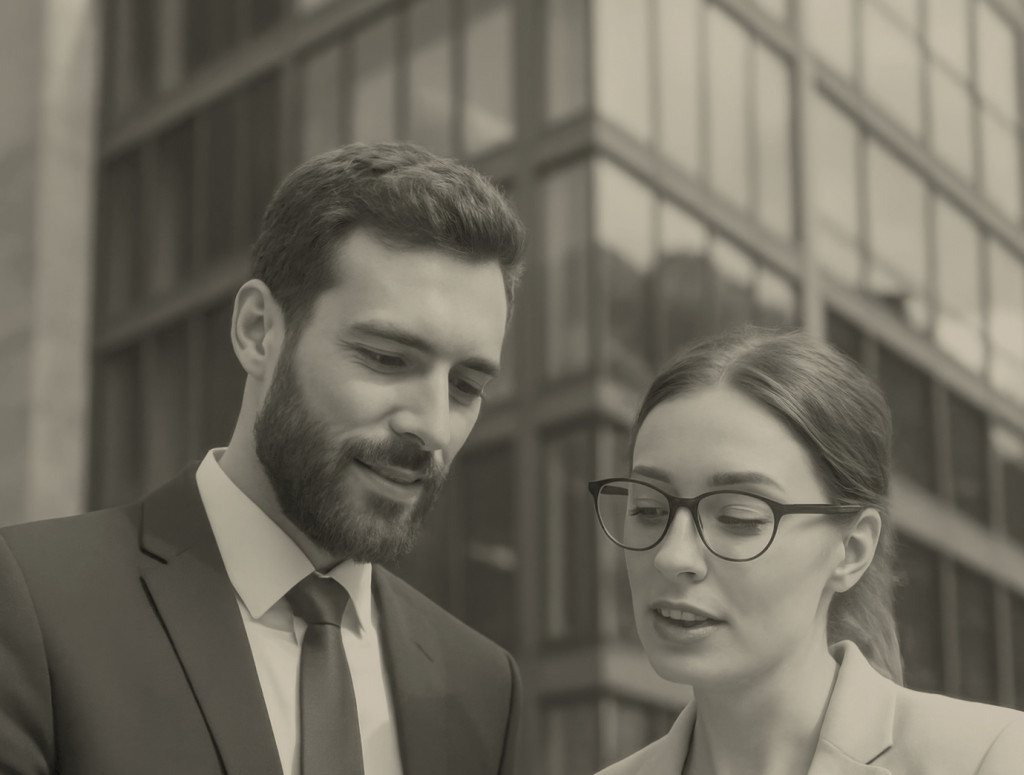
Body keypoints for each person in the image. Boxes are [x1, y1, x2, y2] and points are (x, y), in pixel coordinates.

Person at [0, 142, 526, 775]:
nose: (433, 426)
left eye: (466, 386)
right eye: (387, 358)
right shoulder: (30, 602)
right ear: (258, 331)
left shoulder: (485, 689)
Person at [590, 328, 1024, 775]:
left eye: (739, 518)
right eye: (648, 509)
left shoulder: (988, 758)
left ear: (852, 550)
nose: (672, 556)